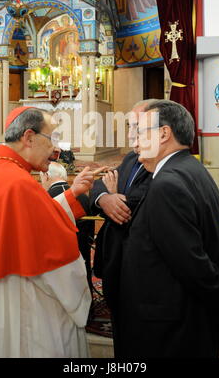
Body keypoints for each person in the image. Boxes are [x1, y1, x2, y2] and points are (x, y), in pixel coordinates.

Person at [118, 100, 219, 358]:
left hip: (169, 327)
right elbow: (218, 238)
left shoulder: (167, 183)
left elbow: (190, 261)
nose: (134, 141)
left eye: (140, 132)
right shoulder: (193, 170)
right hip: (187, 318)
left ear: (163, 134)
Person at [0, 106, 96, 358]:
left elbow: (31, 220)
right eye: (51, 139)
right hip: (23, 300)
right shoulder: (19, 183)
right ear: (29, 137)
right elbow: (54, 255)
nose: (55, 149)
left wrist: (71, 194)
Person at [89, 99, 157, 356]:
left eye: (136, 127)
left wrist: (115, 197)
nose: (130, 135)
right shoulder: (131, 158)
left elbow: (136, 205)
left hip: (140, 267)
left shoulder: (159, 164)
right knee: (122, 335)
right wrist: (105, 198)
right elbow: (99, 185)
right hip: (115, 264)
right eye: (130, 127)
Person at [41, 161, 94, 290]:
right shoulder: (84, 197)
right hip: (83, 248)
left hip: (58, 253)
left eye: (41, 177)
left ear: (47, 176)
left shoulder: (45, 198)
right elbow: (91, 228)